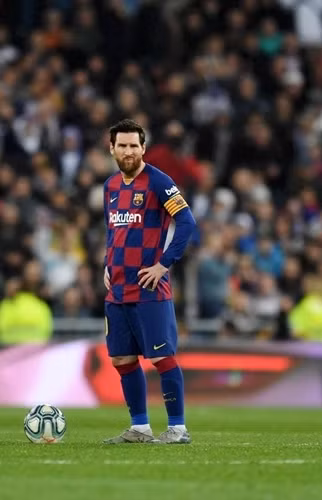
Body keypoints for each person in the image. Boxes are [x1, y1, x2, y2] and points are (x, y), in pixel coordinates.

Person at [103, 119, 196, 444]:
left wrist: (163, 265)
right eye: (122, 145)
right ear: (112, 148)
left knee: (161, 357)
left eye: (134, 145)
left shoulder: (159, 182)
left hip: (148, 289)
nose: (128, 151)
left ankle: (178, 429)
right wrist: (107, 264)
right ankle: (139, 428)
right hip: (117, 289)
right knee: (122, 359)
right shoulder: (110, 186)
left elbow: (187, 222)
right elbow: (113, 231)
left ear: (143, 148)